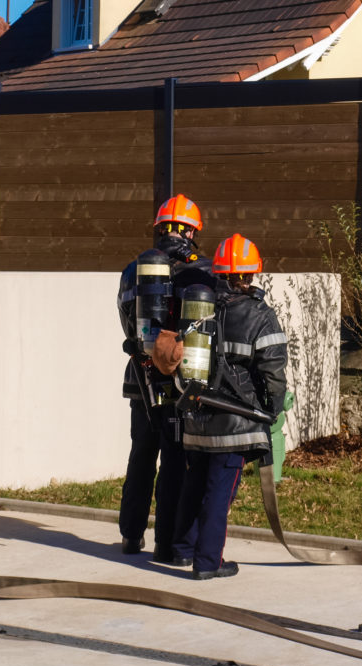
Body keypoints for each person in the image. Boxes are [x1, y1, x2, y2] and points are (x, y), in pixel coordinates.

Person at [171, 234, 288, 579]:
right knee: (219, 493)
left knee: (194, 486)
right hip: (236, 423)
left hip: (197, 417)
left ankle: (182, 550)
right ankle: (208, 563)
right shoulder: (259, 315)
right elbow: (273, 371)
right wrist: (272, 409)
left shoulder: (200, 307)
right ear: (250, 274)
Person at [117, 194, 211, 563]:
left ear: (159, 228)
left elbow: (127, 322)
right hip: (178, 384)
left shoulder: (134, 269)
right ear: (191, 231)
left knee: (141, 455)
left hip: (140, 380)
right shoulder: (199, 270)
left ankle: (130, 536)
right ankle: (166, 543)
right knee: (174, 461)